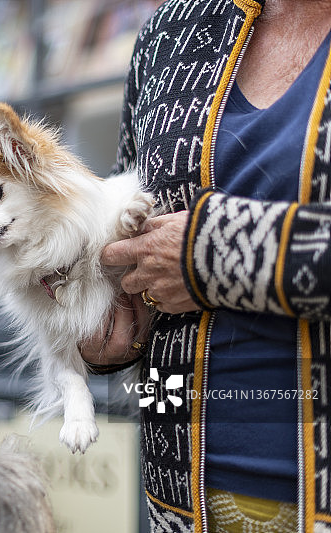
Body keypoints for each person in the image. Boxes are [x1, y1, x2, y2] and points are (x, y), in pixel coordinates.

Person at [79, 0, 331, 531]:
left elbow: (189, 254)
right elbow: (128, 217)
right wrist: (102, 316)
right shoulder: (170, 32)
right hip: (183, 507)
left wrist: (212, 255)